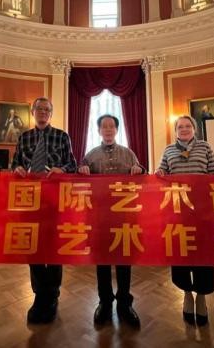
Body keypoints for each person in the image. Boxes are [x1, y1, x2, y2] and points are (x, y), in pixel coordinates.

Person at [11, 97, 77, 324]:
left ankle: (53, 294)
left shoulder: (62, 136)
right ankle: (40, 294)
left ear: (51, 113)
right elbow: (15, 164)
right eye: (39, 108)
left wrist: (62, 169)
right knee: (34, 247)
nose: (42, 112)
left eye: (47, 109)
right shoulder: (24, 137)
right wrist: (17, 169)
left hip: (55, 201)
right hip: (30, 200)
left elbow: (72, 165)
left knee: (54, 246)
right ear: (32, 112)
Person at [155, 115, 214, 327]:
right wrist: (160, 173)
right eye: (180, 127)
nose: (184, 129)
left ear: (194, 129)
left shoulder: (205, 147)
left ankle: (201, 297)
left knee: (203, 255)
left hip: (203, 213)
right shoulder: (168, 150)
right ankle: (186, 295)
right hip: (178, 212)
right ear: (175, 131)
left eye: (187, 126)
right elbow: (161, 174)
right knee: (181, 254)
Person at [78, 114, 144, 328]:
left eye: (111, 126)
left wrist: (139, 170)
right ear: (99, 131)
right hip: (100, 218)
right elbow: (79, 180)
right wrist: (81, 170)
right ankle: (105, 303)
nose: (108, 129)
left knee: (124, 260)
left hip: (124, 217)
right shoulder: (90, 156)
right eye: (104, 126)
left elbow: (142, 175)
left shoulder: (128, 153)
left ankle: (125, 303)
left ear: (116, 130)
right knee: (102, 261)